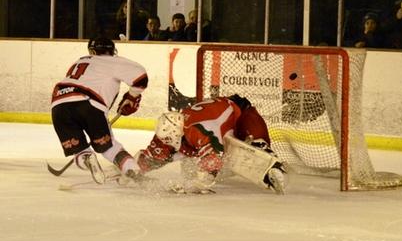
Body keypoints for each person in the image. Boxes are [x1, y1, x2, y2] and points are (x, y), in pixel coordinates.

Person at [135, 94, 286, 193]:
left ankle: (274, 168)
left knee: (259, 144)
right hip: (217, 119)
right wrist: (130, 167)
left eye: (167, 140)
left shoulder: (200, 129)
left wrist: (199, 183)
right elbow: (150, 157)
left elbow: (213, 160)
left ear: (176, 133)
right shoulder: (171, 127)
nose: (164, 143)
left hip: (241, 113)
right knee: (182, 163)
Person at [51, 37, 149, 183]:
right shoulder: (112, 61)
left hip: (58, 104)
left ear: (91, 51)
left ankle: (85, 156)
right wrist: (132, 96)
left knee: (79, 149)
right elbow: (141, 77)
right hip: (89, 103)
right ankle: (133, 171)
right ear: (111, 50)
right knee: (109, 148)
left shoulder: (80, 61)